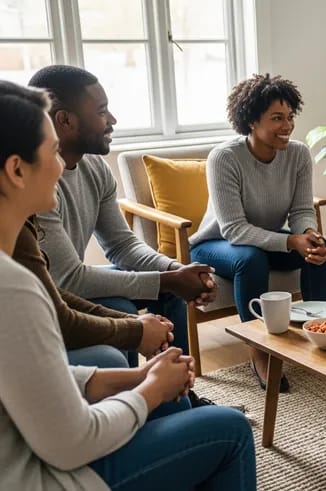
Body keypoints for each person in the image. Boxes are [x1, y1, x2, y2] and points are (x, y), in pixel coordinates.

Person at [0, 79, 255, 491]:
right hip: (46, 475)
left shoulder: (15, 275)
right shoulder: (12, 289)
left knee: (153, 303)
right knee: (229, 430)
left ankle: (180, 401)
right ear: (16, 170)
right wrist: (149, 389)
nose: (59, 164)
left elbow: (36, 378)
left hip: (37, 447)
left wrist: (137, 378)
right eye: (50, 151)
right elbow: (70, 443)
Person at [28, 65, 217, 367]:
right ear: (64, 120)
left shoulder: (95, 167)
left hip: (69, 286)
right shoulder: (34, 184)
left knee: (169, 293)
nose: (112, 120)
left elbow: (121, 245)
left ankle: (180, 388)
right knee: (124, 303)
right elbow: (68, 280)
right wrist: (168, 279)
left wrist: (174, 269)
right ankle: (139, 396)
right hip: (47, 298)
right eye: (102, 112)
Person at [190, 74, 326, 393]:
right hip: (216, 244)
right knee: (251, 259)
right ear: (252, 120)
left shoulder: (297, 154)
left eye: (290, 116)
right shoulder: (224, 158)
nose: (287, 125)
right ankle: (260, 351)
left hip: (265, 239)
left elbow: (300, 211)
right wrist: (290, 241)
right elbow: (234, 229)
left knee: (319, 251)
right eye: (277, 118)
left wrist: (308, 235)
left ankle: (321, 331)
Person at [14, 215, 175, 368]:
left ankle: (166, 388)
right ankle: (145, 389)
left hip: (30, 329)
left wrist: (134, 322)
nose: (57, 185)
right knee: (110, 358)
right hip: (16, 349)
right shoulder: (16, 233)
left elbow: (51, 295)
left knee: (165, 290)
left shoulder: (22, 226)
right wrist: (136, 332)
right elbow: (64, 309)